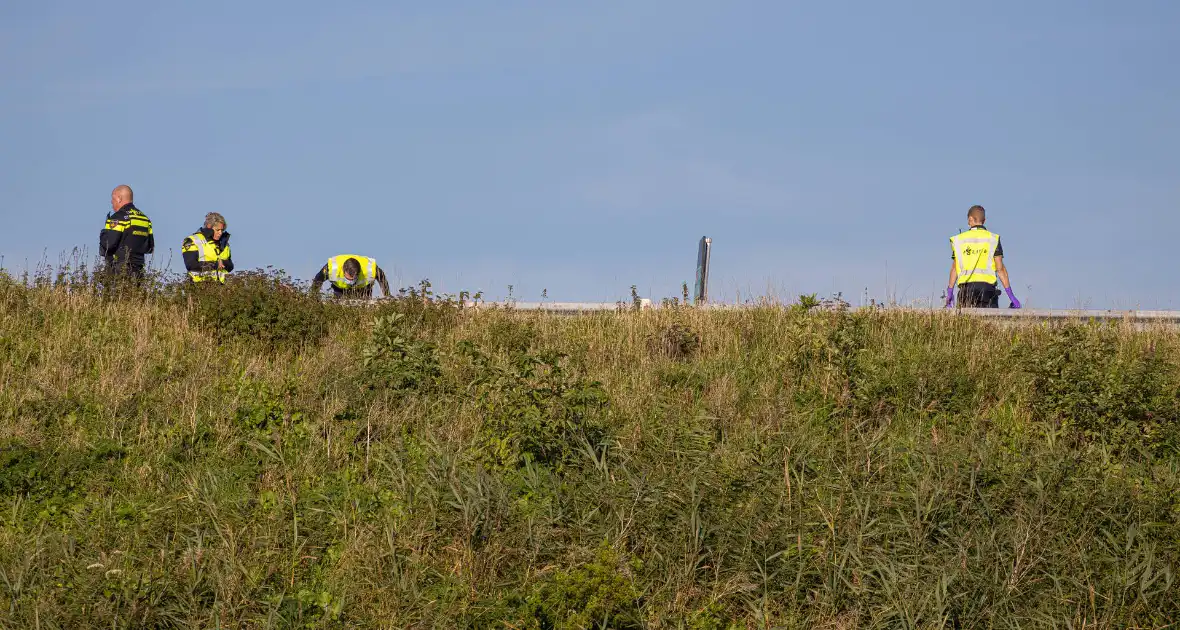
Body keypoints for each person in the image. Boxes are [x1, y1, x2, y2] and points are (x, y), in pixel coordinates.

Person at [946, 205, 1021, 309]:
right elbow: (1000, 269)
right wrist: (1011, 296)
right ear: (984, 220)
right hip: (988, 291)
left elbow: (954, 268)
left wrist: (950, 292)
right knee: (990, 323)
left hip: (966, 291)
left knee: (967, 324)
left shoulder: (958, 240)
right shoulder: (993, 239)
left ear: (970, 219)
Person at [98, 185, 154, 276]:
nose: (111, 202)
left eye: (113, 198)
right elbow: (150, 247)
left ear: (119, 198)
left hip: (120, 270)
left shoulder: (118, 217)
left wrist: (104, 234)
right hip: (139, 270)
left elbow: (108, 244)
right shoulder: (145, 219)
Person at [182, 212, 233, 283]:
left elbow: (230, 266)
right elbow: (191, 265)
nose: (220, 233)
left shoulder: (224, 243)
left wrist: (223, 263)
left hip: (222, 288)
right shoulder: (193, 240)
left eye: (222, 230)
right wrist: (216, 264)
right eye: (217, 230)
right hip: (200, 286)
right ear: (209, 227)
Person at [311, 254, 391, 299]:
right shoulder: (332, 268)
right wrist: (313, 296)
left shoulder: (369, 269)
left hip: (363, 289)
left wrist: (387, 296)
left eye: (353, 279)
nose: (351, 282)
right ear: (343, 270)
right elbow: (318, 279)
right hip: (340, 289)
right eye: (348, 279)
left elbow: (382, 278)